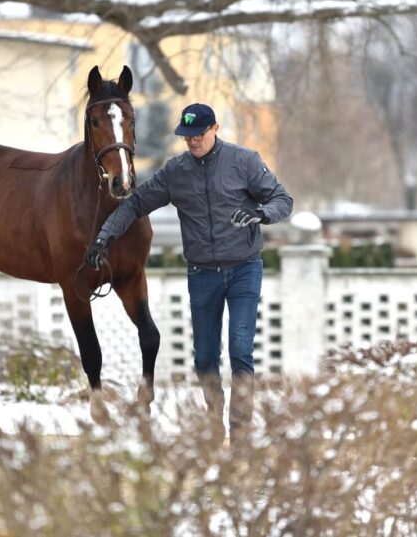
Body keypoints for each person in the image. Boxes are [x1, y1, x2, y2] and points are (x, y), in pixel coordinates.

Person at [85, 102, 293, 445]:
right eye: (187, 136)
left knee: (241, 351)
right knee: (205, 356)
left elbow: (283, 200)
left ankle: (240, 434)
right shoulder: (176, 172)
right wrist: (104, 235)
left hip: (244, 269)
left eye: (199, 135)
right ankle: (215, 421)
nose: (193, 142)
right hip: (203, 275)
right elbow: (136, 204)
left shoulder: (245, 162)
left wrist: (260, 213)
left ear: (215, 129)